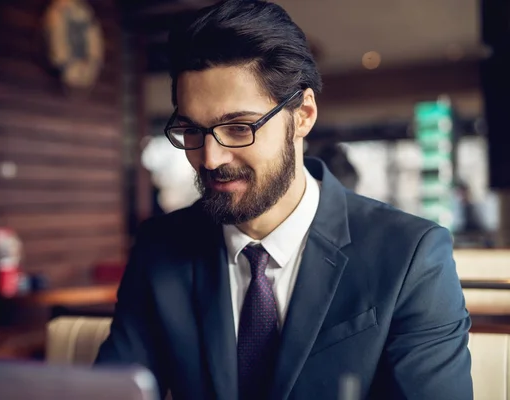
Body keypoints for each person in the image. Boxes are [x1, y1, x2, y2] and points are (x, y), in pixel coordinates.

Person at [95, 1, 472, 399]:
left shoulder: (410, 256)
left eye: (239, 128)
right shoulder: (160, 249)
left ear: (303, 114)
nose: (210, 157)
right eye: (191, 130)